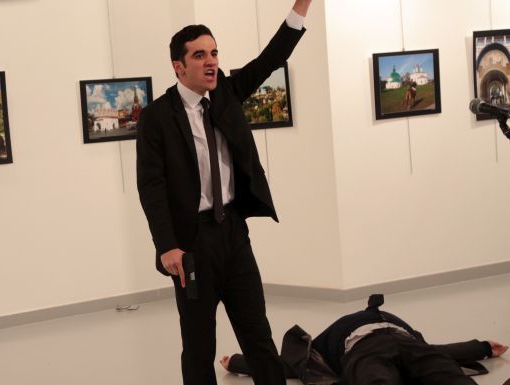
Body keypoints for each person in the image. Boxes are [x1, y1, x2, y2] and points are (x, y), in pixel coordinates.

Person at [135, 1, 311, 384]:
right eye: (199, 55)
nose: (211, 61)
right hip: (191, 245)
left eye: (214, 53)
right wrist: (167, 245)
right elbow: (151, 186)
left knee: (259, 338)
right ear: (178, 66)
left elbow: (271, 58)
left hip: (233, 233)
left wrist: (302, 6)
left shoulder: (227, 93)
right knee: (199, 347)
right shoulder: (158, 117)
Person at [220, 294, 508, 385]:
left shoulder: (390, 323)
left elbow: (437, 350)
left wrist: (482, 347)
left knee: (445, 373)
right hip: (362, 348)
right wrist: (239, 361)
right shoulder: (341, 331)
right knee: (375, 380)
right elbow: (288, 364)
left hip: (406, 342)